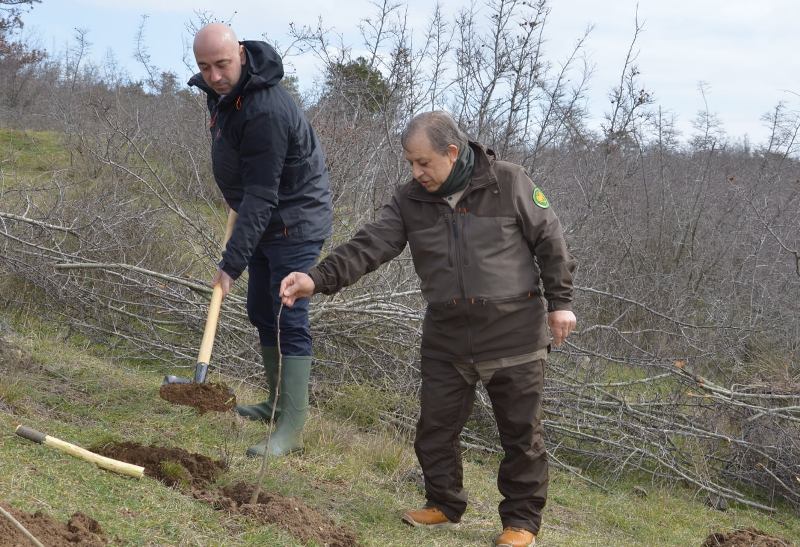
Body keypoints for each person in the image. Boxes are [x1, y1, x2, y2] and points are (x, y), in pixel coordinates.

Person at [280, 111, 576, 547]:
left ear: (452, 153)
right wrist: (316, 279)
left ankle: (520, 523)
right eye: (410, 164)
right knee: (435, 428)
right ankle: (443, 503)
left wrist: (561, 303)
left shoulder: (510, 182)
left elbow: (551, 241)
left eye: (423, 163)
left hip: (513, 334)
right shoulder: (409, 200)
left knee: (521, 435)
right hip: (447, 336)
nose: (416, 173)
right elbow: (372, 244)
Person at [189, 24, 332, 458]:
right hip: (265, 216)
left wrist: (231, 264)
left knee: (288, 315)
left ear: (241, 56)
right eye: (204, 67)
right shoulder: (227, 94)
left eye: (222, 65)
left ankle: (291, 425)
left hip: (294, 219)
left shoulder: (266, 108)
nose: (214, 75)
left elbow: (263, 194)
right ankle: (275, 404)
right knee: (259, 310)